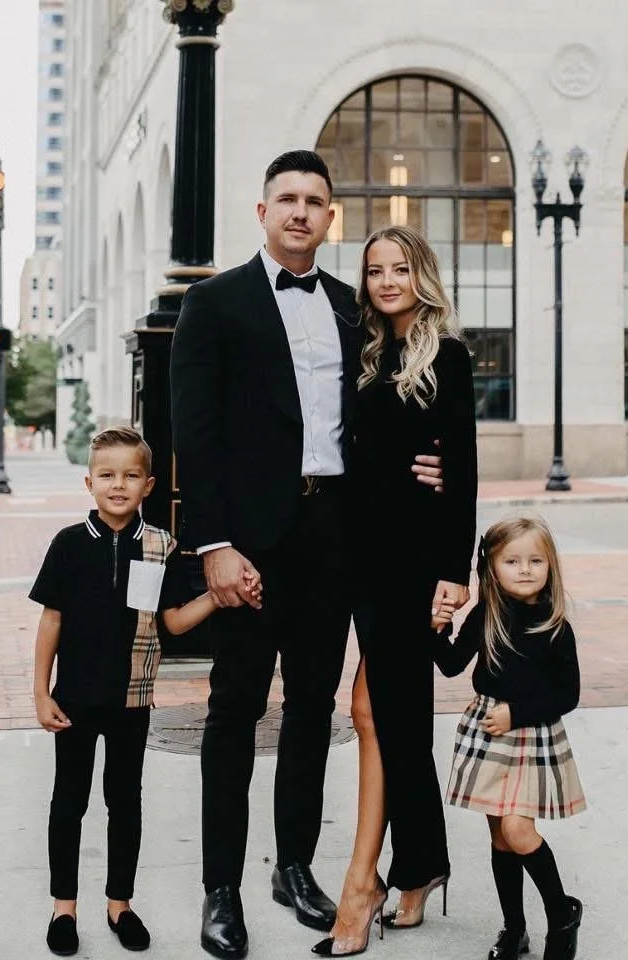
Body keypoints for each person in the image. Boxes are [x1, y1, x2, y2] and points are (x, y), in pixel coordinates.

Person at [169, 151, 445, 960]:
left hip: (336, 537)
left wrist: (433, 462)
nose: (300, 211)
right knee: (234, 710)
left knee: (312, 708)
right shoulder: (213, 304)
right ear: (262, 212)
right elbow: (195, 434)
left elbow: (392, 411)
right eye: (286, 198)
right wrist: (215, 545)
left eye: (314, 201)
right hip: (248, 544)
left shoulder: (352, 310)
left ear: (330, 218)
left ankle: (292, 868)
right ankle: (221, 887)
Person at [31, 426, 260, 958]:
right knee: (69, 801)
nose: (118, 485)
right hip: (74, 700)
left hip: (131, 701)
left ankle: (120, 904)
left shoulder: (160, 547)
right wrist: (41, 693)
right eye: (107, 475)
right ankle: (64, 908)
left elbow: (173, 622)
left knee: (125, 802)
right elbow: (51, 622)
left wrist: (218, 596)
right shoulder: (68, 544)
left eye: (130, 475)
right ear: (89, 482)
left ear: (148, 484)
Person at [311, 226, 477, 957]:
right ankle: (417, 867)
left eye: (399, 268)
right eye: (374, 269)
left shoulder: (447, 356)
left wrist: (454, 572)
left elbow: (461, 468)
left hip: (414, 559)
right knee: (388, 715)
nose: (385, 281)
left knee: (384, 711)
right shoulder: (364, 351)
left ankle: (366, 885)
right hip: (360, 555)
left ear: (421, 274)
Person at [434, 516, 585, 960]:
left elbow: (568, 694)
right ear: (492, 569)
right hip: (489, 732)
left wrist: (516, 713)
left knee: (519, 830)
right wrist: (437, 629)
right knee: (501, 837)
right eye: (512, 561)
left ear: (550, 566)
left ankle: (561, 914)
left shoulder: (555, 626)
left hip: (530, 734)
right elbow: (451, 665)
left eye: (536, 561)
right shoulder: (487, 615)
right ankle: (514, 929)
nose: (524, 569)